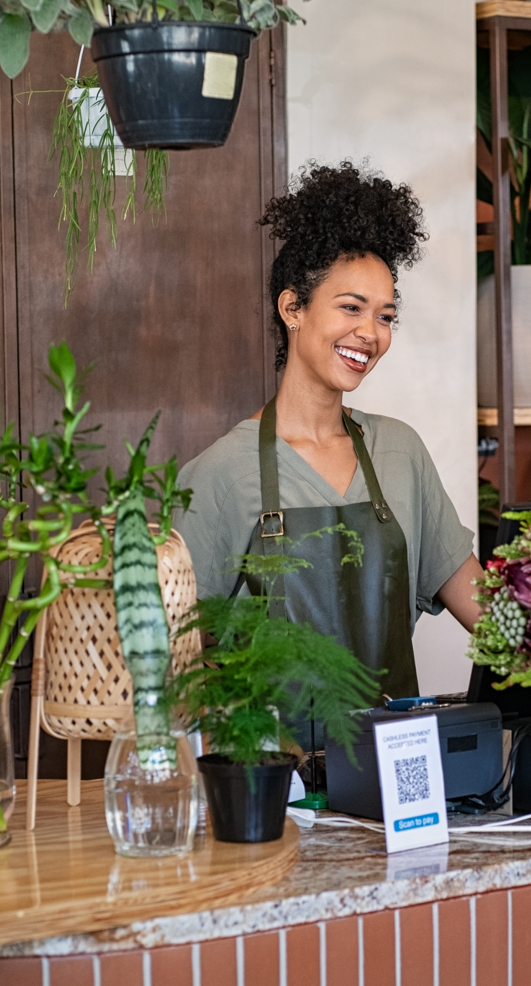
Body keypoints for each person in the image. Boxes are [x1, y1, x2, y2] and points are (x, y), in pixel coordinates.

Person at [177, 162, 481, 739]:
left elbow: (489, 615)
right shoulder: (223, 472)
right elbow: (172, 656)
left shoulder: (399, 452)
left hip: (395, 770)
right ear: (292, 308)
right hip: (272, 785)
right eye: (351, 307)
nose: (371, 332)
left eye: (385, 316)